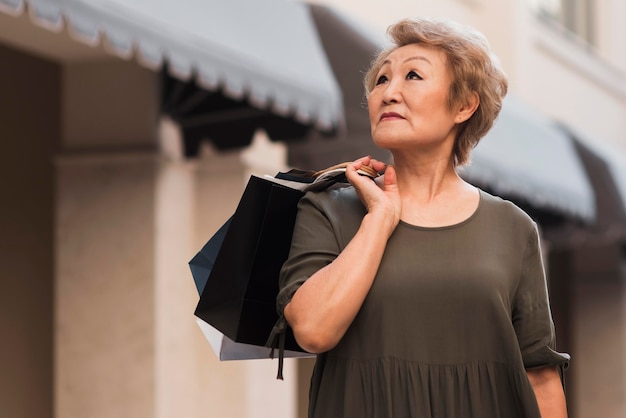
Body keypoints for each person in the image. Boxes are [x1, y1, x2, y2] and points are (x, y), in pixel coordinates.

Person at [274, 17, 569, 418]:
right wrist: (379, 218)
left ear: (464, 105)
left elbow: (540, 376)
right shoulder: (329, 208)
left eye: (412, 75)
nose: (389, 93)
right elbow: (313, 330)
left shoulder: (513, 228)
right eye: (380, 80)